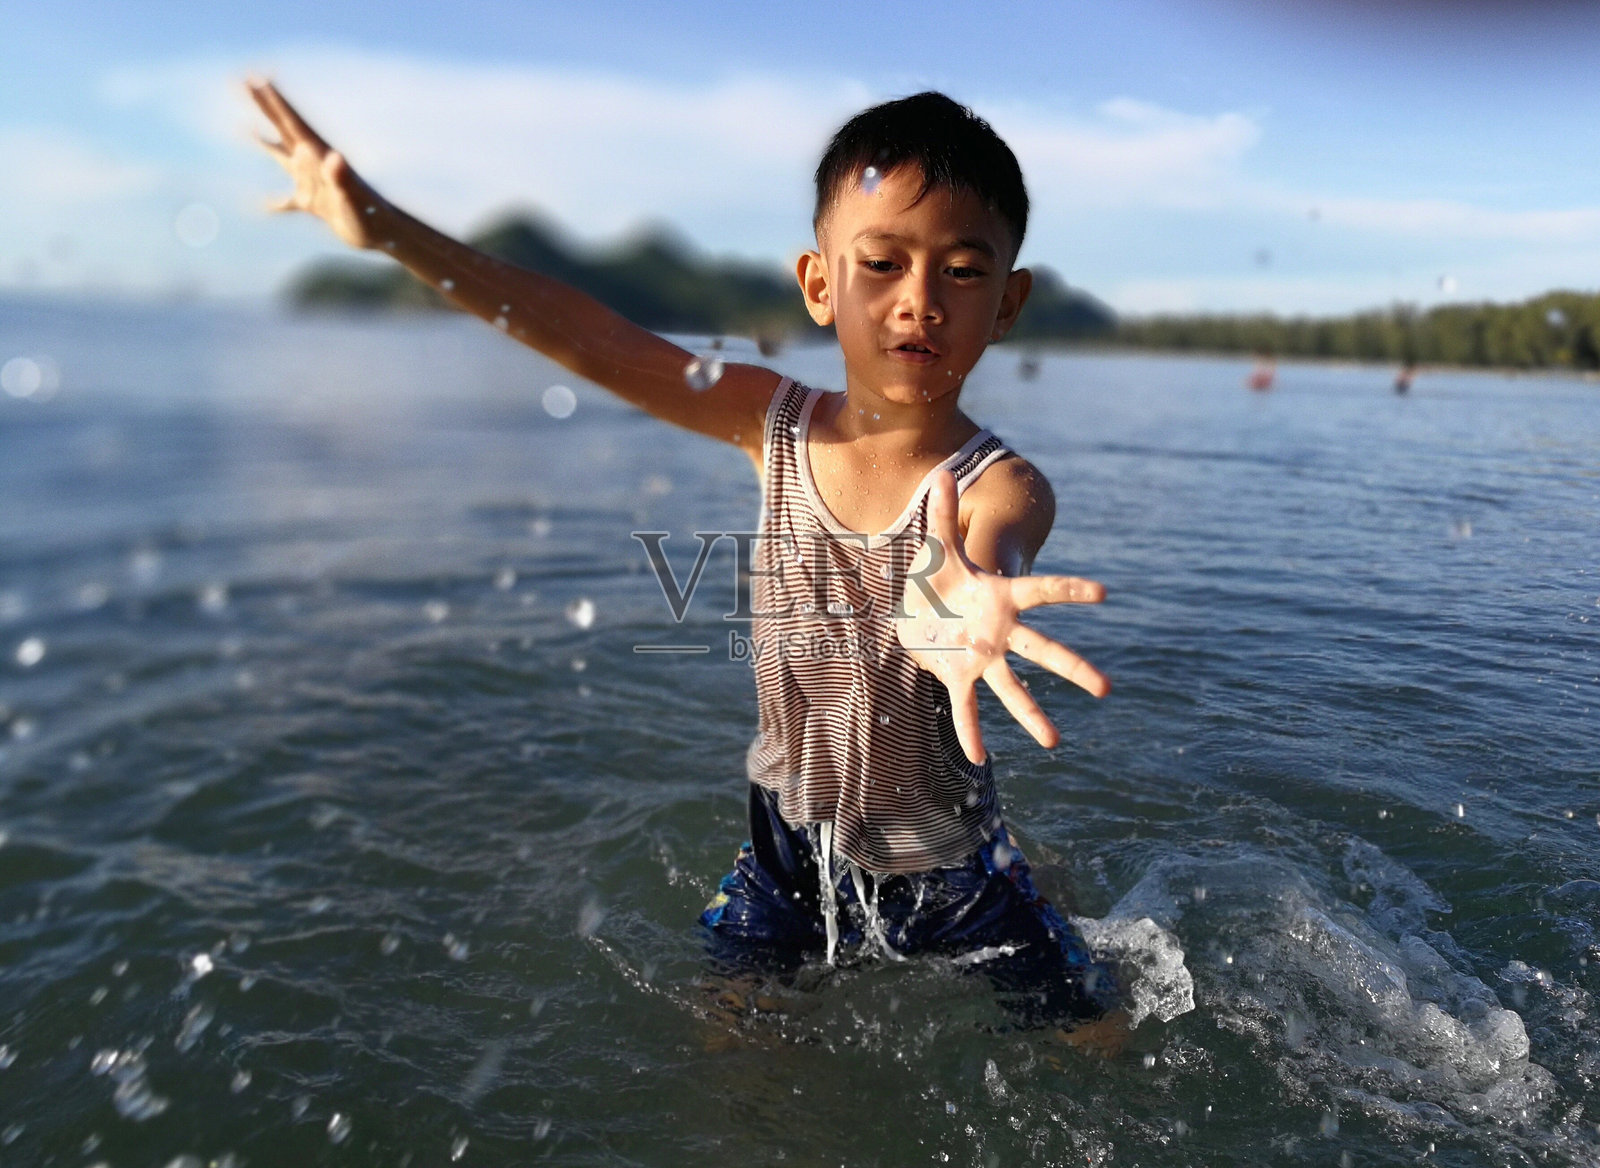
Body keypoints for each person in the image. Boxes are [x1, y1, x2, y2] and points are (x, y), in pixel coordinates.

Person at [249, 82, 1122, 1029]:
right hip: (787, 851)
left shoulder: (1002, 485)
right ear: (819, 285)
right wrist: (387, 231)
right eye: (881, 263)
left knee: (1093, 1032)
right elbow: (590, 337)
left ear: (1007, 302)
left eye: (961, 271)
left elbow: (979, 557)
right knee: (728, 1045)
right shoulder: (771, 424)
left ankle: (1044, 894)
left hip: (952, 865)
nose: (919, 301)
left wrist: (962, 597)